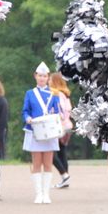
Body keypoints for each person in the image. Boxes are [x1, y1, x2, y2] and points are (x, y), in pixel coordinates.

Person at [22, 61, 60, 204]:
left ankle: (46, 194)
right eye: (40, 76)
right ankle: (38, 193)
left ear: (48, 77)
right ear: (35, 76)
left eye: (44, 76)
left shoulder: (53, 94)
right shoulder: (30, 93)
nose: (42, 78)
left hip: (49, 131)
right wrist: (28, 118)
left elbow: (57, 112)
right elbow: (25, 111)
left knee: (48, 163)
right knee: (36, 162)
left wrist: (58, 117)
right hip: (35, 131)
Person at [49, 72, 73, 189]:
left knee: (51, 152)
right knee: (62, 152)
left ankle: (64, 175)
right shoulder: (66, 94)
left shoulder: (56, 94)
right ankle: (65, 178)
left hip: (59, 126)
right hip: (68, 126)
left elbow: (60, 110)